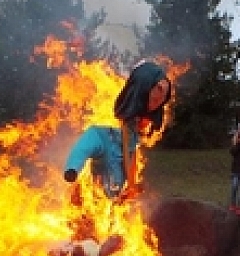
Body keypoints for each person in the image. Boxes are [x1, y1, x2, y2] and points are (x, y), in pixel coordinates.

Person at [63, 60, 172, 199]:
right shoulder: (102, 129)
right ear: (141, 91)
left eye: (160, 102)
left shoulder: (134, 132)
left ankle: (115, 202)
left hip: (116, 188)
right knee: (98, 192)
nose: (156, 105)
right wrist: (72, 168)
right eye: (155, 100)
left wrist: (132, 185)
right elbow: (84, 146)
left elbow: (131, 155)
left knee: (114, 193)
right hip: (99, 183)